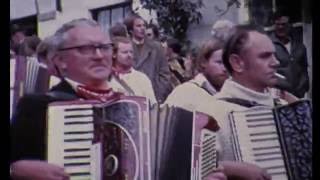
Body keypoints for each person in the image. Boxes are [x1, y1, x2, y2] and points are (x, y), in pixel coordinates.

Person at [10, 18, 118, 180]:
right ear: (61, 61)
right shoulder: (37, 106)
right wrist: (14, 170)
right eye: (85, 48)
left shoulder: (132, 104)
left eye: (104, 47)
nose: (99, 55)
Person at [165, 38, 228, 111]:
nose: (225, 68)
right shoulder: (185, 92)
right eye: (219, 62)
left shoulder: (231, 94)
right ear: (203, 62)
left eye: (228, 64)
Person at [124, 14, 172, 103]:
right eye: (138, 26)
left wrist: (159, 94)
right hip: (133, 97)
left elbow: (165, 74)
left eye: (144, 26)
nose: (142, 28)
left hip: (153, 96)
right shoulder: (126, 48)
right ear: (131, 30)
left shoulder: (156, 47)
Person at [270, 11, 310, 98]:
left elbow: (304, 70)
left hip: (298, 96)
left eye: (284, 24)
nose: (280, 27)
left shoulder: (299, 46)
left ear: (290, 25)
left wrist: (303, 87)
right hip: (279, 97)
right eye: (278, 24)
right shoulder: (268, 45)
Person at [109, 36, 157, 103]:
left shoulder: (142, 78)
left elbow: (152, 106)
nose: (129, 55)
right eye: (125, 52)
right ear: (114, 54)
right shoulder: (105, 80)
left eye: (131, 52)